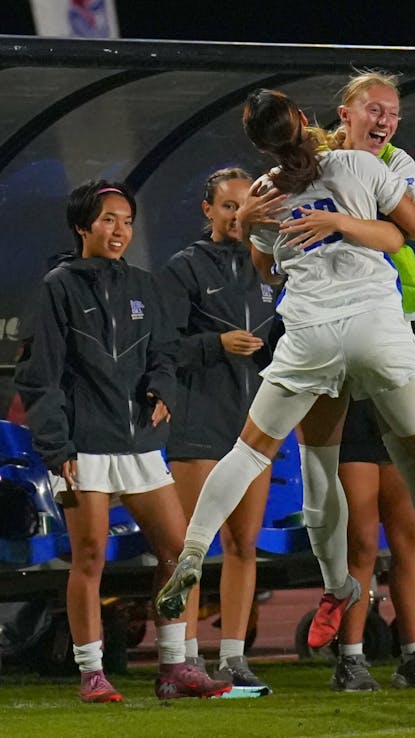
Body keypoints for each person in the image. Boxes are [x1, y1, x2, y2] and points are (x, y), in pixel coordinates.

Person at [155, 89, 415, 629]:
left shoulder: (262, 194)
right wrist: (342, 221)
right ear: (309, 118)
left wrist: (261, 221)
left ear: (261, 144)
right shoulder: (358, 164)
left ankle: (196, 553)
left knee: (251, 453)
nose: (383, 119)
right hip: (376, 326)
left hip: (309, 334)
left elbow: (266, 272)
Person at [15, 180, 232, 702]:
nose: (119, 231)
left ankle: (175, 668)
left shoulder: (144, 285)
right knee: (90, 559)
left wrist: (162, 387)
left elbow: (164, 352)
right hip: (82, 446)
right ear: (83, 226)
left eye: (127, 220)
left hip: (138, 444)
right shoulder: (57, 287)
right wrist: (56, 447)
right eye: (108, 219)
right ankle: (92, 673)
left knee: (180, 553)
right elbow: (39, 377)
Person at [307, 71, 415, 691]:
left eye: (393, 111)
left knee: (407, 526)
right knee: (358, 528)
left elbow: (401, 227)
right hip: (341, 344)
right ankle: (351, 657)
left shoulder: (398, 164)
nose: (386, 120)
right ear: (345, 111)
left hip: (398, 335)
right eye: (374, 108)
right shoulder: (310, 163)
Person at [158, 167, 277, 692]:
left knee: (244, 544)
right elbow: (161, 349)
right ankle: (183, 659)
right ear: (208, 210)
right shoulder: (184, 267)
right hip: (199, 421)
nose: (236, 215)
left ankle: (233, 656)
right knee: (190, 548)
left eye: (244, 205)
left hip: (254, 424)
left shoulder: (273, 267)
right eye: (227, 206)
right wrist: (215, 345)